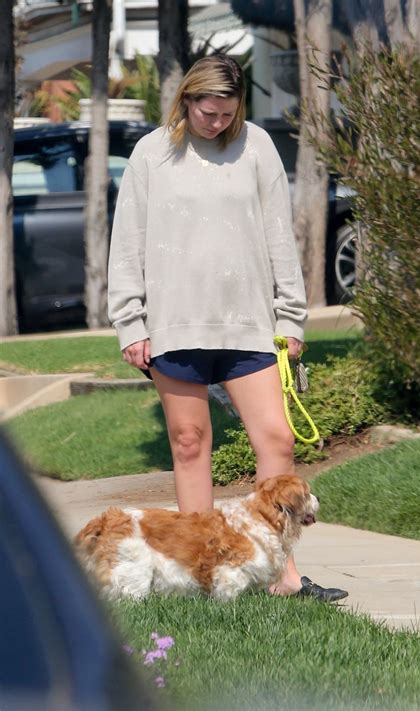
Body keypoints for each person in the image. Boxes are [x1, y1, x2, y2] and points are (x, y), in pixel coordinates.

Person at [107, 55, 348, 603]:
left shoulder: (257, 146)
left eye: (226, 113)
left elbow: (278, 236)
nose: (216, 123)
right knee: (190, 444)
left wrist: (291, 315)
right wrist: (131, 322)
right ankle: (203, 575)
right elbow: (127, 243)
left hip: (249, 326)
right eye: (206, 112)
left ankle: (282, 577)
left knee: (277, 438)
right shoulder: (151, 153)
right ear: (186, 100)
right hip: (175, 325)